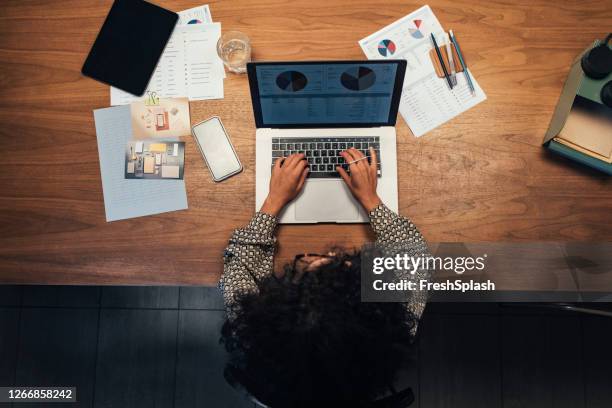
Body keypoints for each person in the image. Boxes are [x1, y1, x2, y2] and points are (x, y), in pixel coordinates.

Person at [220, 148, 431, 407]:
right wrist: (371, 200)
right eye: (338, 264)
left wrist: (273, 202)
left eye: (307, 266)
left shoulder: (254, 336)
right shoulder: (390, 326)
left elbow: (239, 262)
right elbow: (413, 254)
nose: (330, 253)